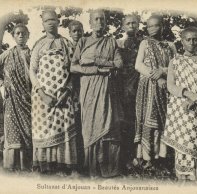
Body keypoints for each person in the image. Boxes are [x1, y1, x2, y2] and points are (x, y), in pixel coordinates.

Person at [70, 10, 123, 178]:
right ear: (91, 23)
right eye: (96, 19)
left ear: (106, 23)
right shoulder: (83, 41)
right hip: (88, 91)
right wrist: (96, 69)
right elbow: (73, 66)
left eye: (102, 19)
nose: (99, 22)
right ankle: (93, 170)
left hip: (107, 90)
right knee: (90, 126)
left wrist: (96, 61)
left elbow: (119, 64)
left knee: (108, 125)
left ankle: (109, 169)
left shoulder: (111, 42)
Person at [163, 26, 197, 183]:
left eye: (196, 39)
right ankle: (184, 177)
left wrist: (196, 98)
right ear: (182, 41)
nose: (192, 43)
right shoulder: (175, 61)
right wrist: (187, 94)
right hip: (182, 108)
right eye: (188, 39)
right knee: (185, 139)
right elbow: (170, 85)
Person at [30, 10, 77, 175]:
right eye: (46, 21)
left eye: (53, 20)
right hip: (43, 98)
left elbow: (73, 70)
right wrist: (42, 94)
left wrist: (68, 90)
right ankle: (45, 166)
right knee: (45, 129)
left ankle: (63, 166)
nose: (50, 23)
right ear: (43, 25)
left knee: (63, 128)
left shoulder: (67, 43)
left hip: (63, 96)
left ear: (58, 22)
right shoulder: (38, 45)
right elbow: (32, 71)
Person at [0, 23, 32, 171]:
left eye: (23, 33)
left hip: (28, 99)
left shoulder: (32, 53)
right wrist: (1, 84)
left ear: (28, 35)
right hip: (12, 98)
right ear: (13, 36)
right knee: (13, 131)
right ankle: (11, 166)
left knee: (28, 130)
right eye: (17, 33)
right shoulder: (8, 54)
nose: (20, 36)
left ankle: (26, 166)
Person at [134, 15, 176, 169]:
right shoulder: (145, 43)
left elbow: (175, 66)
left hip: (165, 88)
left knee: (163, 122)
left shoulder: (170, 45)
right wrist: (156, 76)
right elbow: (138, 65)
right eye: (149, 26)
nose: (152, 29)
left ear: (163, 27)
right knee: (148, 121)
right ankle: (146, 157)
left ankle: (161, 157)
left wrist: (163, 71)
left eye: (156, 26)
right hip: (148, 87)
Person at [116, 14, 142, 171]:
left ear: (138, 25)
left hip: (140, 87)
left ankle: (139, 156)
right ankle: (123, 158)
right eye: (128, 23)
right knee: (123, 122)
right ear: (123, 26)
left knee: (137, 122)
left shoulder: (144, 44)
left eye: (134, 23)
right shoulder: (118, 44)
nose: (131, 25)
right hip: (122, 88)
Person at [67, 20, 85, 171]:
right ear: (69, 33)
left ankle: (83, 159)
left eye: (79, 30)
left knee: (83, 122)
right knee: (73, 123)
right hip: (71, 89)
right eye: (74, 31)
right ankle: (75, 161)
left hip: (86, 86)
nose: (77, 34)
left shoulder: (86, 45)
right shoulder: (67, 47)